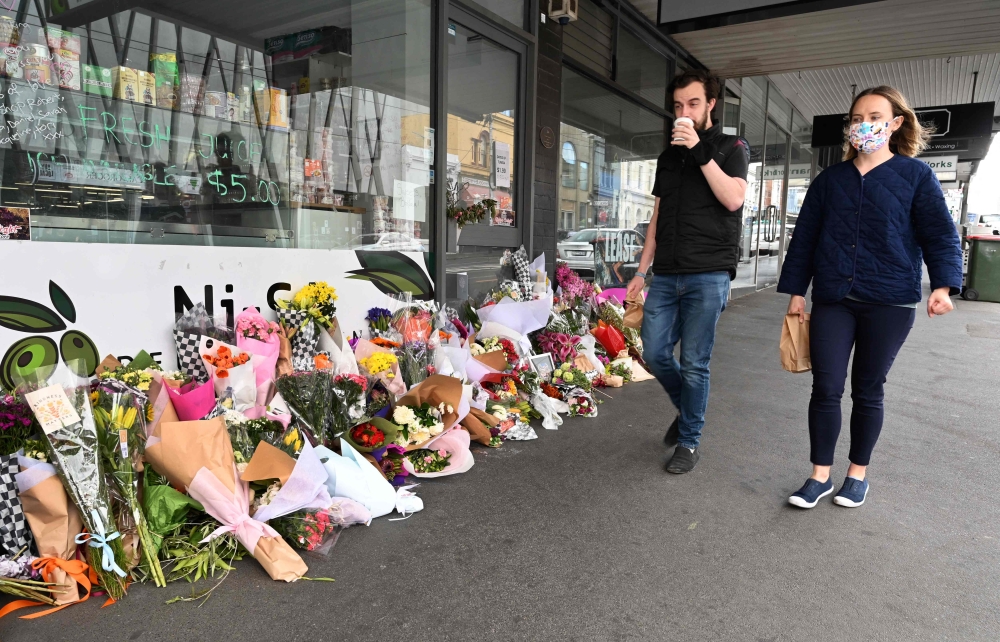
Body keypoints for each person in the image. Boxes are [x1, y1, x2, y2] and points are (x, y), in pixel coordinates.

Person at [777, 85, 962, 508]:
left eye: (875, 117)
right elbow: (805, 238)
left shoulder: (915, 176)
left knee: (868, 388)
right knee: (825, 386)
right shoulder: (831, 180)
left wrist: (943, 286)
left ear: (895, 124)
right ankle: (819, 475)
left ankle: (857, 475)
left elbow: (939, 233)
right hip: (834, 297)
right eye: (858, 118)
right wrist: (796, 293)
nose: (865, 126)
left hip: (890, 300)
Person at [626, 69, 749, 474]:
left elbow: (733, 199)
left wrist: (699, 150)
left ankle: (690, 441)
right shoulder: (667, 157)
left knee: (695, 362)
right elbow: (658, 218)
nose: (684, 111)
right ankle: (689, 410)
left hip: (709, 274)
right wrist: (642, 272)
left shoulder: (733, 147)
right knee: (655, 351)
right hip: (667, 273)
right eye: (678, 106)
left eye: (693, 103)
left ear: (711, 103)